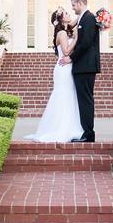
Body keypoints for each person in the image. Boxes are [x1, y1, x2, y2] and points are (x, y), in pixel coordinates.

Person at [23, 7, 84, 142]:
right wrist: (76, 38)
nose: (69, 14)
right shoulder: (62, 33)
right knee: (63, 95)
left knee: (69, 95)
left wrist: (99, 18)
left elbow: (78, 19)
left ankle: (71, 126)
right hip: (63, 68)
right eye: (66, 13)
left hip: (68, 67)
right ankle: (60, 128)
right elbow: (67, 52)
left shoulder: (66, 29)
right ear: (61, 19)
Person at [60, 0, 99, 142]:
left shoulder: (88, 18)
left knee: (85, 100)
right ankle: (87, 132)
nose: (73, 8)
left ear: (80, 3)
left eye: (74, 5)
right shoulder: (84, 18)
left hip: (86, 66)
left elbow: (86, 43)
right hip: (84, 66)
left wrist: (71, 58)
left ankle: (88, 134)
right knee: (84, 100)